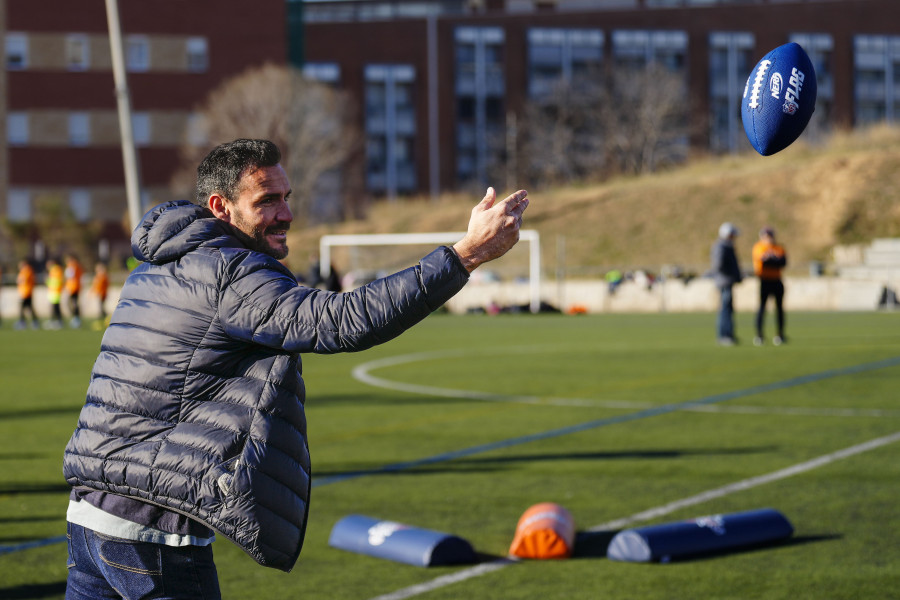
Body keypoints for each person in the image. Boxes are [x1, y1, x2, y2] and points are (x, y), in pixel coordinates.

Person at [62, 138, 529, 598]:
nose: (285, 213)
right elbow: (344, 321)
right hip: (151, 534)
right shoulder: (232, 273)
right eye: (267, 201)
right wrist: (464, 255)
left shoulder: (154, 267)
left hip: (88, 517)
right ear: (220, 207)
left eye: (286, 197)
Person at [752, 226, 787, 345]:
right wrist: (773, 260)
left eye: (770, 236)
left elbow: (782, 262)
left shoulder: (779, 248)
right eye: (766, 236)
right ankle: (759, 335)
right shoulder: (759, 247)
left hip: (777, 280)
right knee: (762, 308)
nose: (768, 239)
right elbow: (764, 263)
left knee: (779, 309)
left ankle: (780, 334)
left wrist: (772, 259)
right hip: (765, 280)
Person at [710, 222, 743, 345]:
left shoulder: (727, 246)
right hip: (724, 282)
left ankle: (728, 334)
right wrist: (730, 274)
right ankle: (724, 335)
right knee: (725, 309)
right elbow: (718, 265)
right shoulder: (721, 247)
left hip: (727, 281)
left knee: (728, 308)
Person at [16, 259, 38, 329]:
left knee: (22, 308)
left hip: (26, 293)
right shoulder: (24, 271)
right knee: (29, 307)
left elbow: (23, 280)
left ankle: (22, 322)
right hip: (25, 292)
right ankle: (34, 321)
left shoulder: (26, 271)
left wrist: (19, 280)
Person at [64, 253, 84, 328]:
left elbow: (70, 276)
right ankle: (76, 318)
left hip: (73, 288)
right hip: (74, 287)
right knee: (72, 303)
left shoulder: (73, 265)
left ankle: (76, 319)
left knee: (72, 303)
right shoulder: (76, 266)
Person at [45, 258, 64, 329]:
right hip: (53, 291)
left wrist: (48, 281)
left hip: (55, 291)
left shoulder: (56, 270)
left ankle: (57, 321)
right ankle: (55, 321)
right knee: (55, 307)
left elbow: (57, 281)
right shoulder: (53, 270)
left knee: (55, 307)